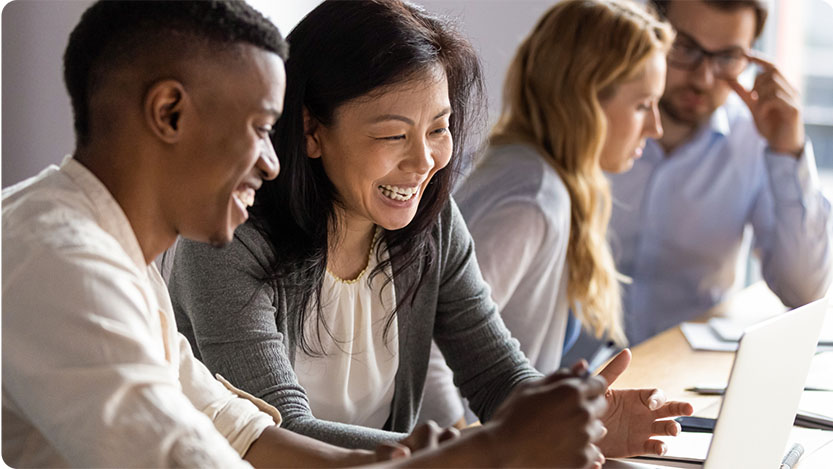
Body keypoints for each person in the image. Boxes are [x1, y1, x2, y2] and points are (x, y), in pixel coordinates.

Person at [1, 1, 613, 467]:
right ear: (170, 114)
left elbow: (245, 432)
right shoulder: (61, 260)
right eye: (261, 127)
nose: (273, 161)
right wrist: (490, 453)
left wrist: (518, 440)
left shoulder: (117, 253)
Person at [168, 0, 693, 461]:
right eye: (394, 134)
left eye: (439, 128)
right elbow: (281, 437)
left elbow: (497, 376)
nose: (425, 161)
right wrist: (494, 448)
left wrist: (573, 425)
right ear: (310, 130)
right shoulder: (229, 238)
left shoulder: (431, 222)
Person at [420, 0, 674, 426]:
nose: (656, 127)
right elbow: (428, 352)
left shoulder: (542, 174)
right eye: (642, 105)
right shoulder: (532, 201)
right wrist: (467, 453)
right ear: (586, 100)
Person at [602, 0, 833, 344]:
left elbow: (804, 291)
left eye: (727, 57)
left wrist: (788, 152)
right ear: (649, 24)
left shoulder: (755, 141)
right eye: (685, 47)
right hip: (573, 374)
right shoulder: (591, 122)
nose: (703, 78)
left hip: (685, 372)